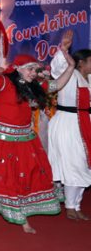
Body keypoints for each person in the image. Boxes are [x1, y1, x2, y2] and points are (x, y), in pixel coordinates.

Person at [0, 41, 74, 233]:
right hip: (0, 138)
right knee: (7, 177)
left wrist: (70, 65)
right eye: (30, 69)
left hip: (25, 138)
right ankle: (21, 220)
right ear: (19, 69)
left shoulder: (34, 86)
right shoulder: (5, 82)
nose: (33, 73)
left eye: (35, 69)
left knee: (29, 174)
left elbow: (56, 84)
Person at [48, 30, 91, 220]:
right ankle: (71, 206)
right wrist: (63, 49)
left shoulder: (89, 79)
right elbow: (56, 69)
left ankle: (76, 204)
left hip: (84, 124)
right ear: (81, 62)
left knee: (84, 165)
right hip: (67, 123)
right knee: (73, 164)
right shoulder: (69, 74)